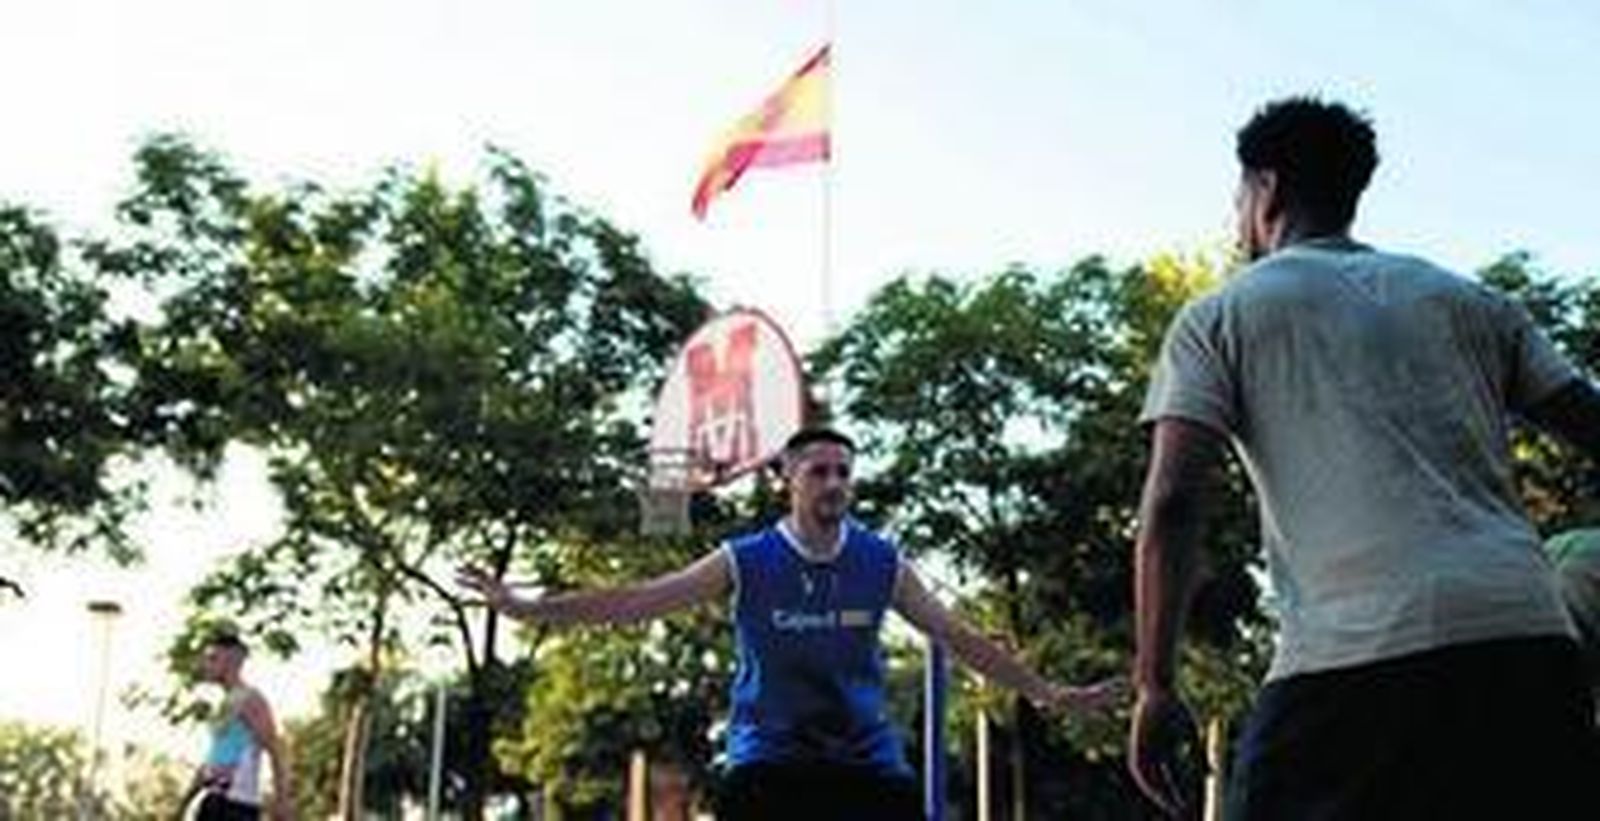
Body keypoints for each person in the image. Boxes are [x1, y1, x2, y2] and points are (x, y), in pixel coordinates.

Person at [1127, 96, 1600, 819]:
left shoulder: (1220, 316)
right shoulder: (1471, 302)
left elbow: (1173, 503)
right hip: (1528, 644)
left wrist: (1154, 685)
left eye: (1237, 197)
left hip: (1356, 656)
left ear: (1267, 188)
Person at [459, 427, 1121, 821]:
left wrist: (1050, 691)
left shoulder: (881, 562)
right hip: (769, 759)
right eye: (819, 471)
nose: (835, 481)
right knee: (748, 796)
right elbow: (640, 598)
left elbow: (957, 635)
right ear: (788, 480)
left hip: (865, 760)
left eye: (844, 471)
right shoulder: (745, 560)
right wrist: (528, 605)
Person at [180, 629, 293, 821]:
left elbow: (276, 750)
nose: (206, 665)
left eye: (213, 658)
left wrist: (281, 800)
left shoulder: (251, 699)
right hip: (212, 799)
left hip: (236, 804)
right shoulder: (224, 704)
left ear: (234, 659)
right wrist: (185, 801)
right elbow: (214, 757)